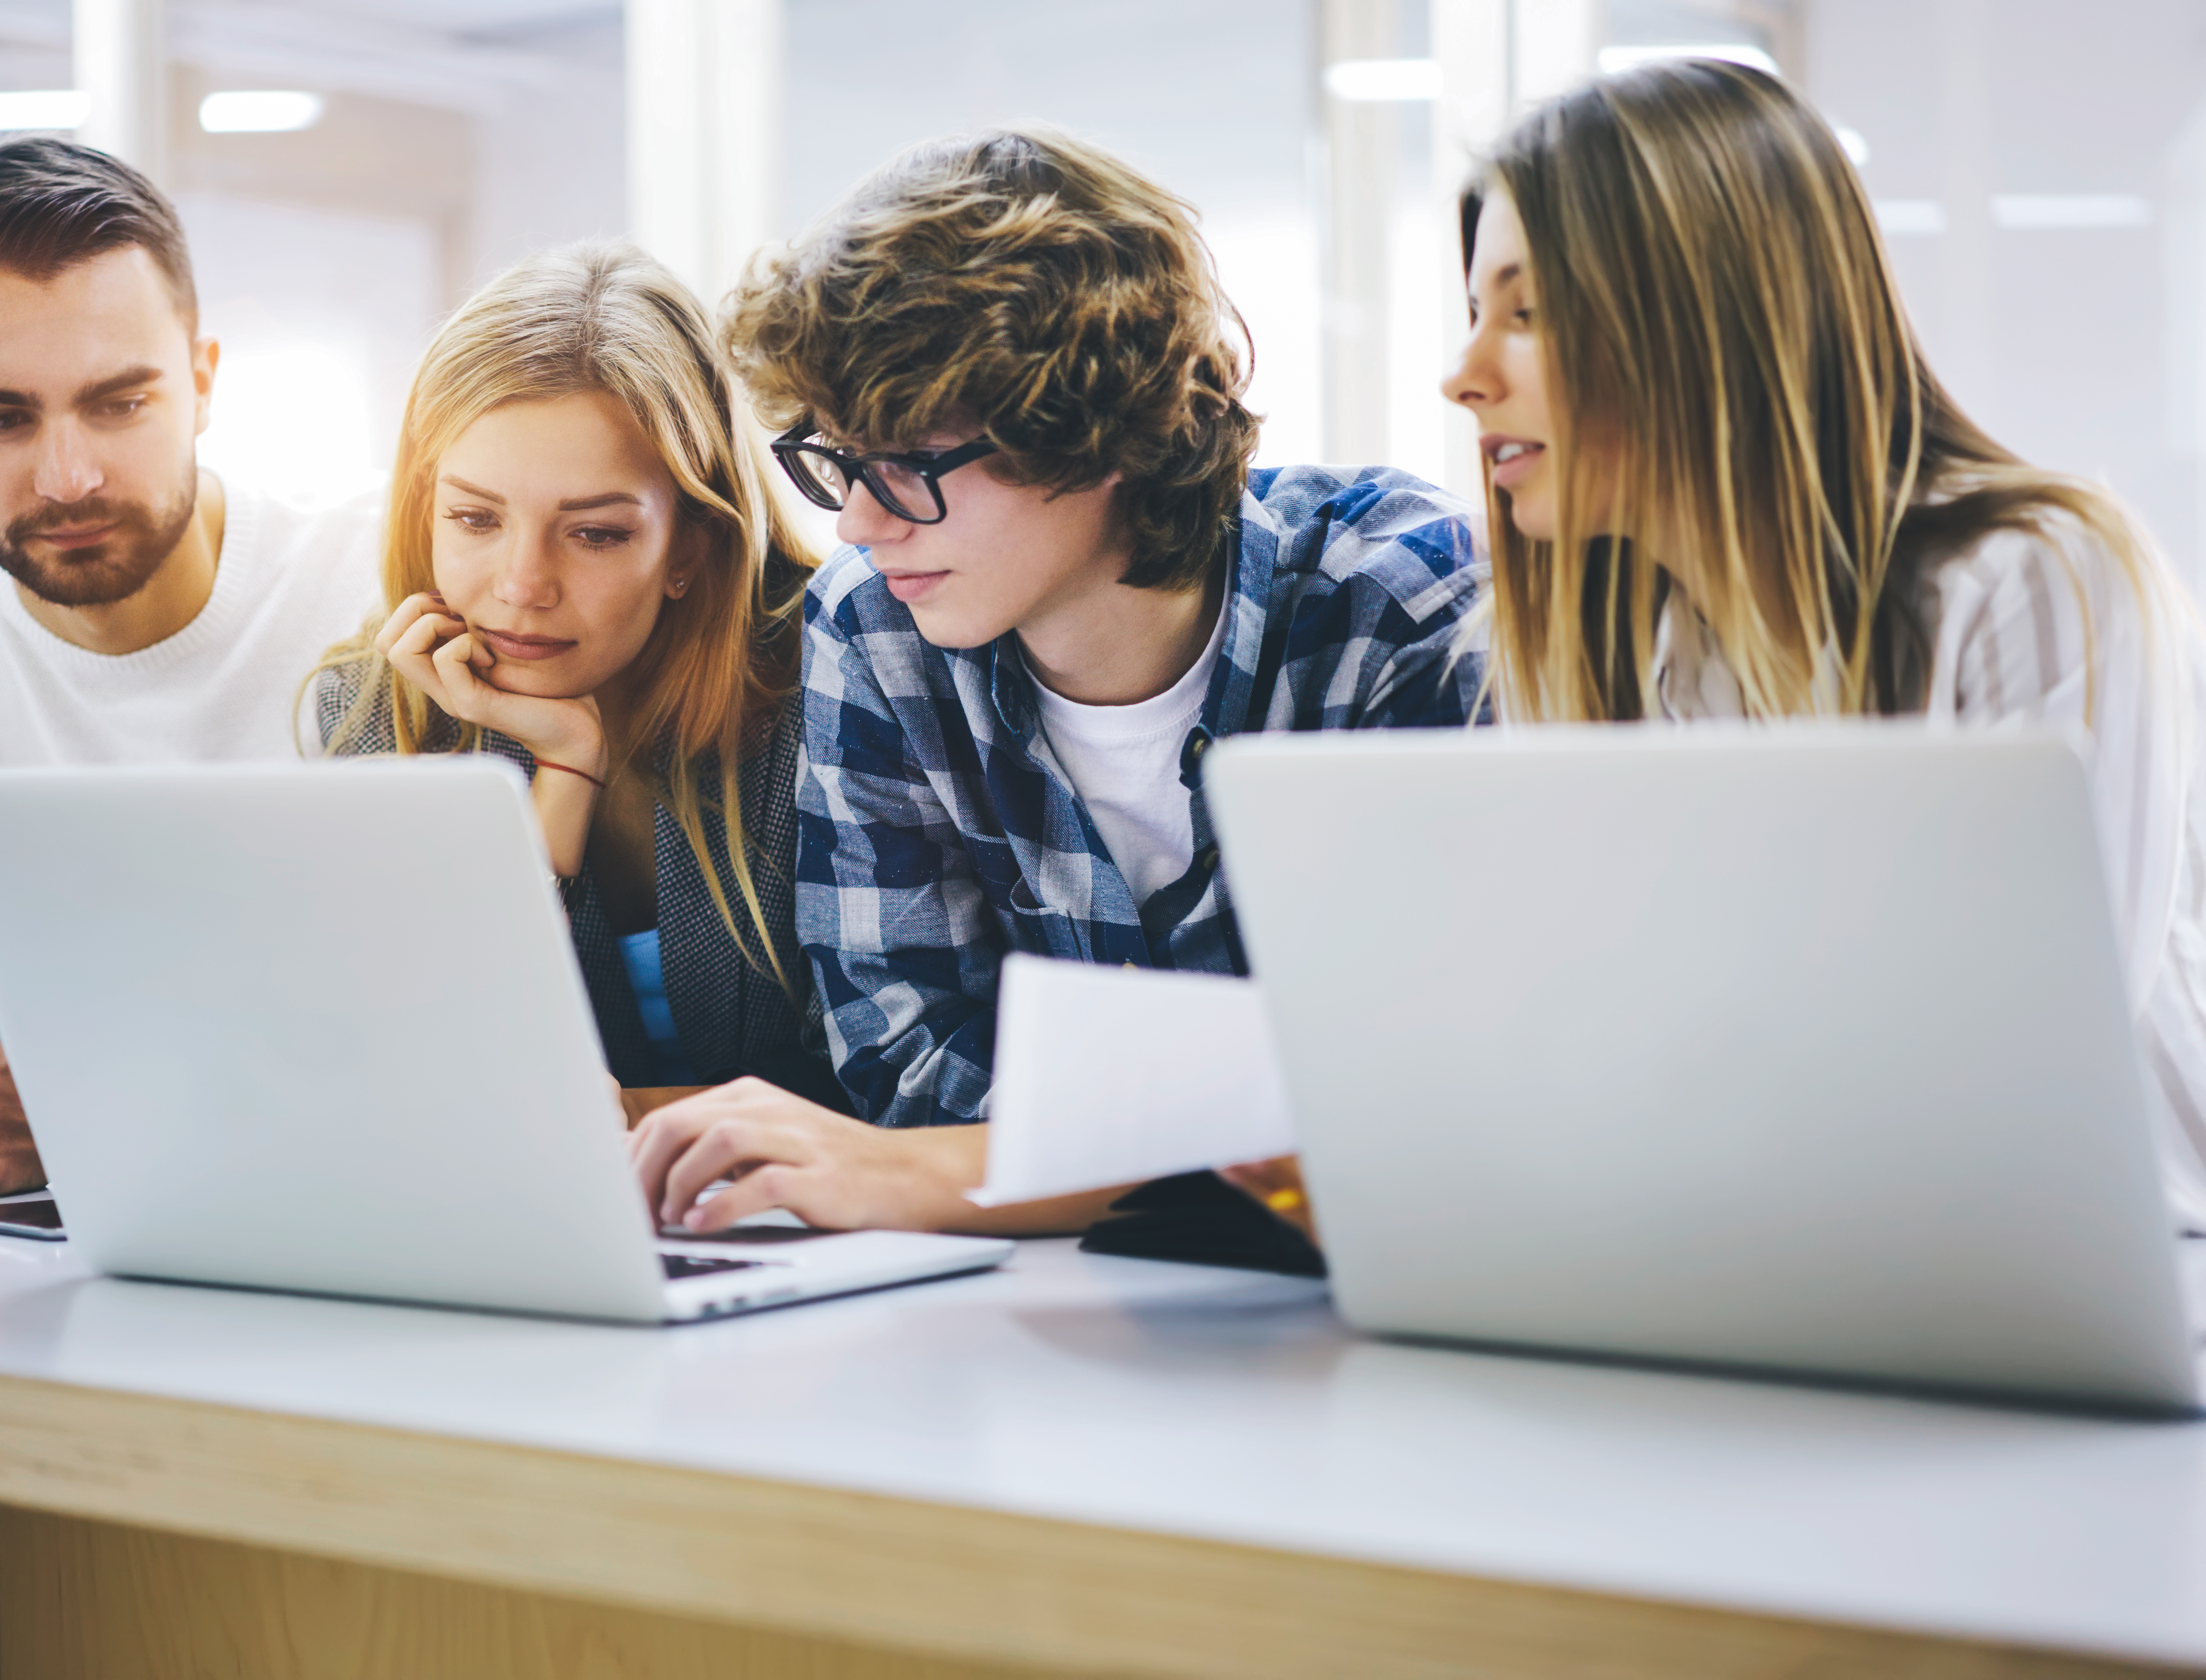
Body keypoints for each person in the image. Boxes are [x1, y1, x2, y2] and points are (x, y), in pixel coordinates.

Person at [627, 127, 1485, 1237]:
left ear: (1100, 428)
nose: (859, 520)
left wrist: (983, 1168)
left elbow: (1428, 1105)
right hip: (1051, 1306)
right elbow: (908, 1069)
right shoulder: (874, 627)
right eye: (839, 457)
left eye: (908, 464)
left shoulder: (1397, 604)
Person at [1436, 58, 2206, 1231]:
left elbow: (2021, 1072)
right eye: (1475, 313)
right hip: (1796, 1258)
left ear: (1703, 316)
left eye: (1529, 315)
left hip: (2109, 1267)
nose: (1466, 376)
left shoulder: (2036, 578)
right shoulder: (1626, 648)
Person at [0, 138, 377, 1195]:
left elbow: (428, 1020)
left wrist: (97, 1103)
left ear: (203, 383)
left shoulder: (377, 578)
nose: (68, 478)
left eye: (120, 404)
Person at [306, 243, 845, 1108]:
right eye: (475, 519)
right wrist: (561, 777)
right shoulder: (379, 711)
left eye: (595, 534)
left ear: (690, 548)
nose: (522, 587)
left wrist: (609, 1119)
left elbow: (880, 1086)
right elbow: (415, 1075)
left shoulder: (830, 693)